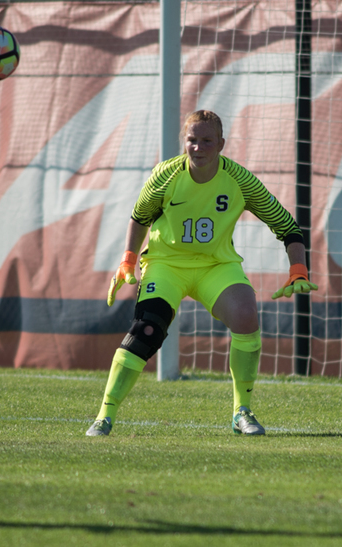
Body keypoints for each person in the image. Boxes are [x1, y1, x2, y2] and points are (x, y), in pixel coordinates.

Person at [85, 110, 317, 437]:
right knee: (147, 330)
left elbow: (286, 226)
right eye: (192, 140)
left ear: (221, 144)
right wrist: (128, 260)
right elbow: (139, 217)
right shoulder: (165, 175)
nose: (198, 147)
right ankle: (104, 416)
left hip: (215, 265)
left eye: (207, 140)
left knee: (246, 315)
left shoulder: (239, 179)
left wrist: (298, 269)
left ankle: (242, 412)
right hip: (166, 264)